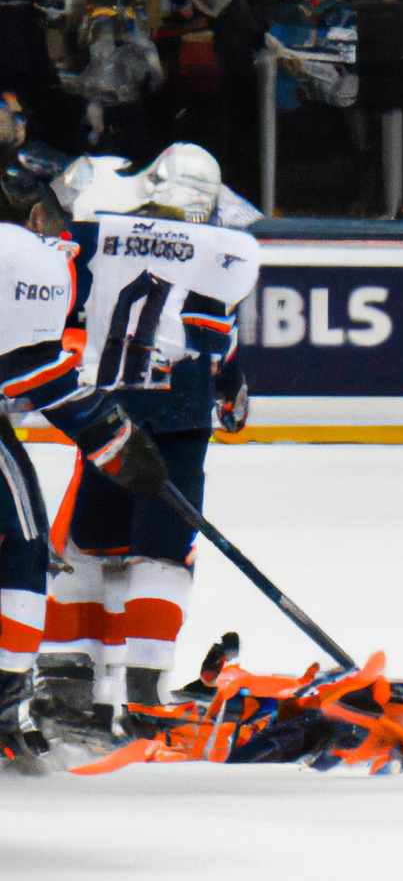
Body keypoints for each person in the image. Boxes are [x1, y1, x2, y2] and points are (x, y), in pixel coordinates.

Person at [34, 143, 259, 731]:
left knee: (91, 545)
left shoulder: (102, 234)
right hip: (177, 415)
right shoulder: (217, 250)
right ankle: (143, 693)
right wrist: (232, 384)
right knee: (163, 556)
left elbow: (61, 287)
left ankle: (71, 681)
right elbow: (216, 335)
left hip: (105, 411)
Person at [0, 176, 167, 757]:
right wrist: (112, 439)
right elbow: (34, 373)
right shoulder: (21, 256)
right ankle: (2, 699)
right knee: (19, 545)